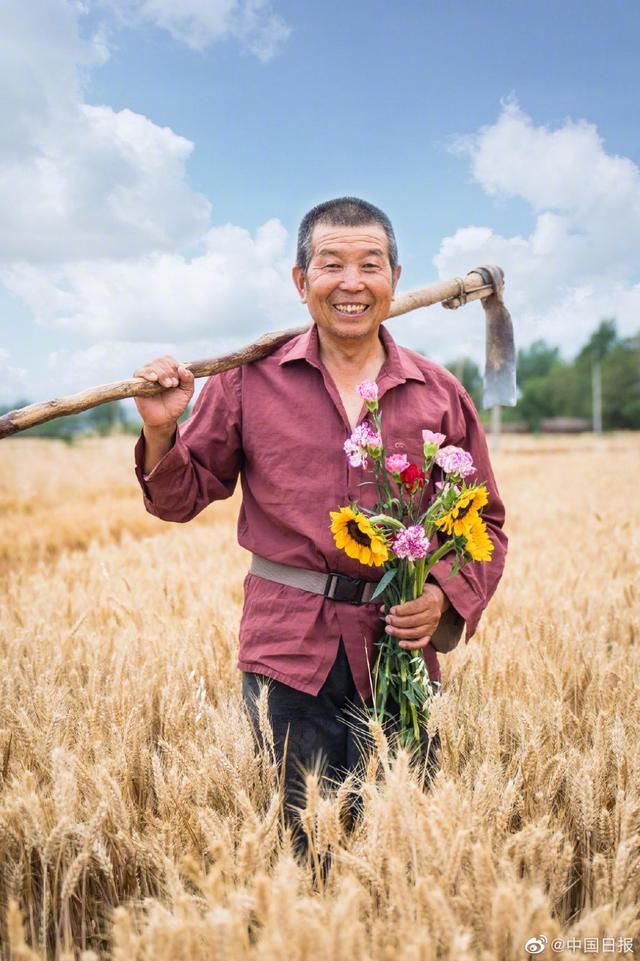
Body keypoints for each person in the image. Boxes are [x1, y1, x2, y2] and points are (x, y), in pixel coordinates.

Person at [132, 197, 508, 854]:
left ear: (395, 277)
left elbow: (485, 521)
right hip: (288, 648)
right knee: (301, 844)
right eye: (331, 264)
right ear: (301, 281)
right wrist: (163, 428)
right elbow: (179, 498)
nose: (351, 283)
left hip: (400, 649)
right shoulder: (248, 382)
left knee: (403, 844)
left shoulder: (438, 391)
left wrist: (443, 594)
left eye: (370, 264)